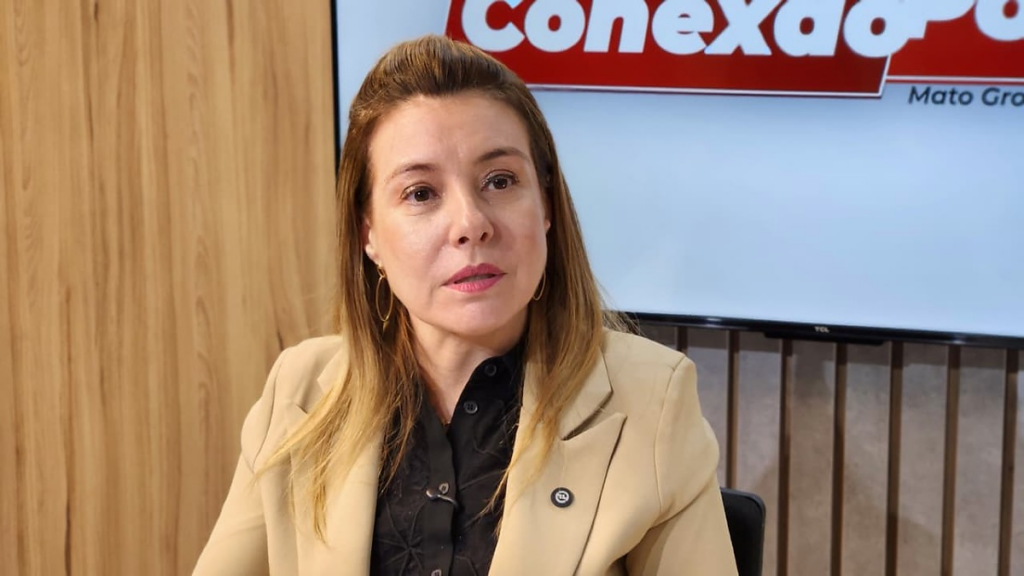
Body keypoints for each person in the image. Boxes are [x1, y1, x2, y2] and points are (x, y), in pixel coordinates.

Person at [193, 34, 736, 576]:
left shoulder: (653, 400)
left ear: (546, 204)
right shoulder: (298, 392)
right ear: (368, 233)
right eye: (421, 193)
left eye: (499, 181)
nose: (471, 224)